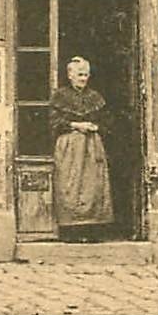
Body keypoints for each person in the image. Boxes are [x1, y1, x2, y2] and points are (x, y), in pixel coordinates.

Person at [49, 56, 111, 238]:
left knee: (93, 186)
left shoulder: (95, 97)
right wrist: (76, 125)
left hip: (92, 146)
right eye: (79, 75)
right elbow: (54, 122)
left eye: (86, 75)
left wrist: (95, 127)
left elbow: (107, 121)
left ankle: (91, 230)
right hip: (69, 146)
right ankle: (70, 231)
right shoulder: (60, 96)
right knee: (70, 186)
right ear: (70, 75)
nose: (83, 79)